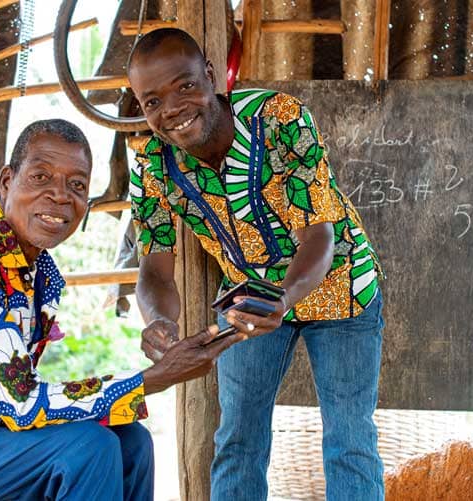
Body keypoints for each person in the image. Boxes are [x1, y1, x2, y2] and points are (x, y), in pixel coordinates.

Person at [0, 119, 246, 501]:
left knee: (131, 440)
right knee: (86, 448)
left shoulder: (37, 271)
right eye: (41, 177)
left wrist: (147, 381)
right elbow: (21, 404)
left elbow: (14, 402)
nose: (59, 195)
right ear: (7, 182)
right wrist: (152, 378)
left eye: (76, 185)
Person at [127, 29, 385, 500]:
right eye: (152, 102)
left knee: (349, 440)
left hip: (342, 284)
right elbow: (155, 269)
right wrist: (160, 321)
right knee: (238, 440)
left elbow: (319, 236)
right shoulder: (152, 166)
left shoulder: (278, 118)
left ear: (210, 74)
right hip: (248, 302)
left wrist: (282, 300)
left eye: (185, 85)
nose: (173, 109)